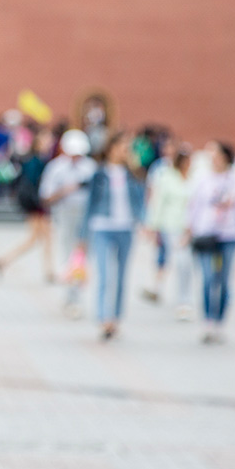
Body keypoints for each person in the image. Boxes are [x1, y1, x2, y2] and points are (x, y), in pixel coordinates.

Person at [186, 140, 235, 344]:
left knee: (224, 281)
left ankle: (219, 321)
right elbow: (194, 205)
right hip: (206, 234)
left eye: (217, 154)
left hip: (229, 235)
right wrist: (188, 229)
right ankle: (208, 320)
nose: (214, 159)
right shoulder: (202, 177)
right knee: (208, 279)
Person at [77, 132, 146, 341]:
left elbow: (141, 202)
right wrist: (82, 236)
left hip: (125, 228)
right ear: (111, 148)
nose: (124, 152)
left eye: (127, 149)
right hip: (102, 226)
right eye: (121, 147)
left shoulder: (133, 174)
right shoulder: (99, 174)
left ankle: (115, 317)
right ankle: (103, 317)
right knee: (105, 274)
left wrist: (145, 224)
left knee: (122, 276)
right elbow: (89, 205)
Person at [39, 128, 97, 296]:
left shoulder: (90, 168)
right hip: (64, 213)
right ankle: (70, 295)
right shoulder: (56, 168)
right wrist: (66, 190)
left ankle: (77, 291)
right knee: (67, 252)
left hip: (86, 214)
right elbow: (46, 196)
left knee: (83, 254)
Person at [0, 128, 55, 282]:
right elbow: (35, 184)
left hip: (35, 202)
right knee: (40, 238)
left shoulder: (34, 159)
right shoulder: (35, 161)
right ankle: (47, 270)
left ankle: (5, 260)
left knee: (40, 238)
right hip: (36, 203)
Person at [143, 147, 195, 319]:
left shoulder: (194, 178)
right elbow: (158, 203)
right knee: (181, 261)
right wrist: (152, 225)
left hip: (190, 227)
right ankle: (182, 300)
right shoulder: (167, 178)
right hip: (171, 226)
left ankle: (183, 296)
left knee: (187, 263)